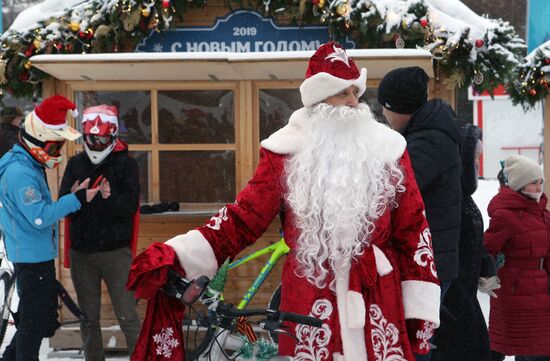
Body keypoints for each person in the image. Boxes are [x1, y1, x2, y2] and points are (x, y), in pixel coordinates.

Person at [127, 42, 440, 361]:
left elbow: (414, 232)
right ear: (318, 102)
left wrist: (420, 312)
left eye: (354, 92)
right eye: (341, 93)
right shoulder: (284, 153)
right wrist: (179, 255)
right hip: (310, 301)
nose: (352, 103)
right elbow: (242, 219)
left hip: (378, 300)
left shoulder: (389, 149)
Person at [0, 95, 99, 361]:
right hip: (32, 259)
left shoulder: (28, 163)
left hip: (36, 255)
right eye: (55, 148)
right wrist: (75, 199)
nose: (56, 155)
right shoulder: (20, 173)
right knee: (32, 326)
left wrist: (72, 196)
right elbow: (40, 217)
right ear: (38, 140)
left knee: (34, 322)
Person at [377, 66, 462, 360]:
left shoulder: (427, 143)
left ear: (401, 108)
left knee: (413, 346)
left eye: (386, 109)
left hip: (427, 264)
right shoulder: (429, 135)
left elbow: (388, 189)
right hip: (430, 261)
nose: (384, 117)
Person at [59, 105, 141, 361]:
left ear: (112, 135)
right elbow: (62, 204)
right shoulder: (75, 163)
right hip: (83, 254)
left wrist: (108, 197)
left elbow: (130, 207)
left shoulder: (127, 165)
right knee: (88, 318)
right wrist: (76, 196)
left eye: (101, 139)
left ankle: (142, 357)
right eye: (91, 139)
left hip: (116, 254)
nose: (95, 143)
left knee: (128, 315)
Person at [431, 124, 497, 361]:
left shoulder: (464, 197)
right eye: (475, 157)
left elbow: (472, 241)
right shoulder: (448, 197)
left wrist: (486, 266)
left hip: (464, 303)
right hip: (450, 307)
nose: (478, 162)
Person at [484, 154, 550, 361]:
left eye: (541, 182)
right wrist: (486, 276)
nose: (539, 188)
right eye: (533, 183)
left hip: (542, 287)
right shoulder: (505, 215)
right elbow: (486, 249)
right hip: (517, 291)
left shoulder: (542, 213)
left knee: (540, 345)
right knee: (529, 345)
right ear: (520, 184)